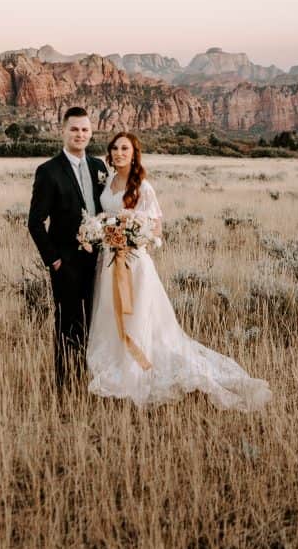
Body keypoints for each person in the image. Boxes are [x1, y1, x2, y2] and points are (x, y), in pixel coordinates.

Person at [86, 132, 272, 412]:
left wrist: (132, 236)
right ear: (109, 153)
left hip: (135, 264)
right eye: (115, 148)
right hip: (109, 262)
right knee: (110, 315)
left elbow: (156, 228)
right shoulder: (107, 182)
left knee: (138, 319)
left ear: (134, 153)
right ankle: (113, 366)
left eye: (125, 148)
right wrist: (101, 233)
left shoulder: (143, 187)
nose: (119, 152)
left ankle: (136, 370)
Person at [28, 107, 108, 386]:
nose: (80, 134)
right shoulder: (48, 171)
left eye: (85, 129)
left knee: (95, 322)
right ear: (63, 131)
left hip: (99, 261)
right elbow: (35, 223)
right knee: (67, 324)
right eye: (74, 129)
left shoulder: (99, 167)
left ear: (91, 132)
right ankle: (66, 383)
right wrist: (54, 261)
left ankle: (92, 378)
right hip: (66, 263)